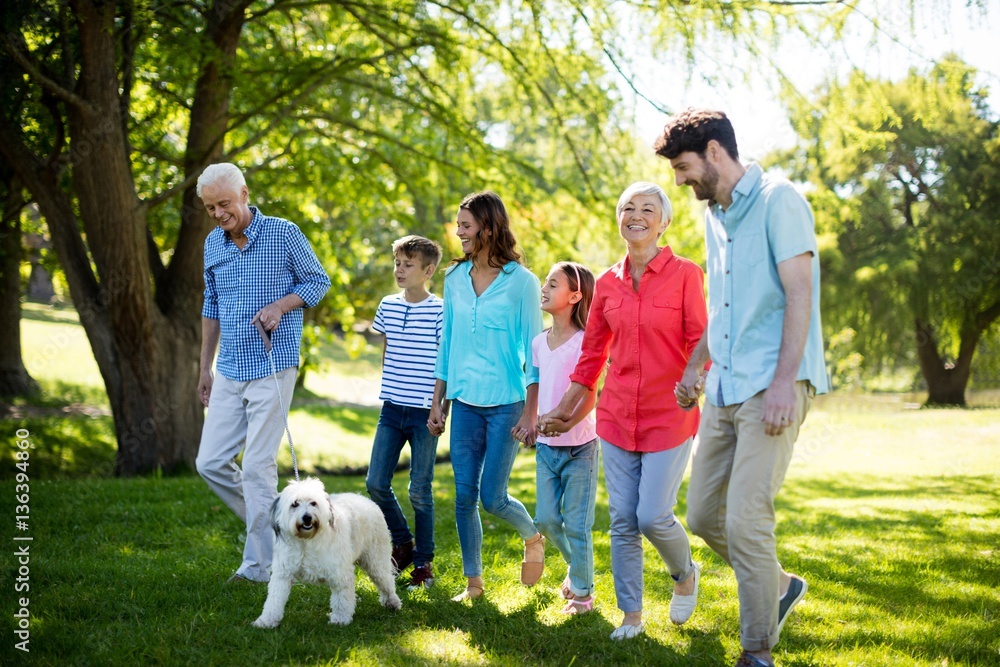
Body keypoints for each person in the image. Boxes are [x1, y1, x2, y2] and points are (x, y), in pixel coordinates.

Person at [654, 108, 829, 667]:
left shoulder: (781, 201)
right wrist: (694, 367)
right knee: (705, 516)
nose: (679, 181)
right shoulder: (717, 215)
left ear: (713, 151)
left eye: (682, 168)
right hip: (726, 386)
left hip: (775, 382)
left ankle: (757, 651)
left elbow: (800, 295)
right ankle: (777, 583)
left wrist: (784, 384)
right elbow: (724, 308)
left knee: (747, 517)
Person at [538, 182, 708, 640]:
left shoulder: (687, 274)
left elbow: (700, 341)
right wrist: (563, 409)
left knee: (653, 515)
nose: (636, 215)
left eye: (648, 209)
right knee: (622, 520)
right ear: (619, 219)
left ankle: (685, 572)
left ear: (664, 222)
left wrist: (695, 380)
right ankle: (631, 615)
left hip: (670, 414)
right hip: (615, 417)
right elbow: (591, 357)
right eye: (628, 208)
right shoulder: (608, 283)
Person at [195, 163, 331, 584]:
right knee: (210, 462)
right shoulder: (212, 245)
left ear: (244, 194)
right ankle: (277, 524)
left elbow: (318, 281)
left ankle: (258, 566)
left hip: (273, 366)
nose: (218, 213)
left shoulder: (283, 233)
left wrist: (280, 306)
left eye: (224, 203)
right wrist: (204, 367)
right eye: (210, 207)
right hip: (230, 367)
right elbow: (210, 307)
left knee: (256, 467)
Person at [427, 191, 546, 602]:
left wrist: (531, 413)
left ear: (489, 228)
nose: (459, 232)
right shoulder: (453, 279)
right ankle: (473, 584)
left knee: (492, 497)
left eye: (466, 225)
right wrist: (437, 401)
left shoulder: (523, 283)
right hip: (465, 403)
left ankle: (533, 538)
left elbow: (535, 352)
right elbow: (448, 343)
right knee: (463, 496)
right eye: (458, 224)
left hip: (506, 403)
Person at [365, 235, 446, 591]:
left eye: (408, 264)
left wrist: (439, 409)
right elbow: (387, 351)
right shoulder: (387, 305)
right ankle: (403, 542)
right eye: (397, 262)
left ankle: (424, 563)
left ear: (427, 271)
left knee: (420, 490)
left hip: (424, 414)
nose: (399, 269)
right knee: (375, 483)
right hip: (392, 409)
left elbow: (446, 364)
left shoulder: (441, 310)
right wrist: (387, 391)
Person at [530, 261, 599, 615]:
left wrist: (566, 421)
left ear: (575, 296)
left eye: (553, 284)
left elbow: (590, 392)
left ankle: (584, 594)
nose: (545, 287)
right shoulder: (539, 342)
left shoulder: (587, 342)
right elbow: (537, 386)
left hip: (581, 449)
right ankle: (578, 567)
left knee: (577, 524)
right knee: (545, 520)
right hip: (546, 450)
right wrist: (532, 423)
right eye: (546, 282)